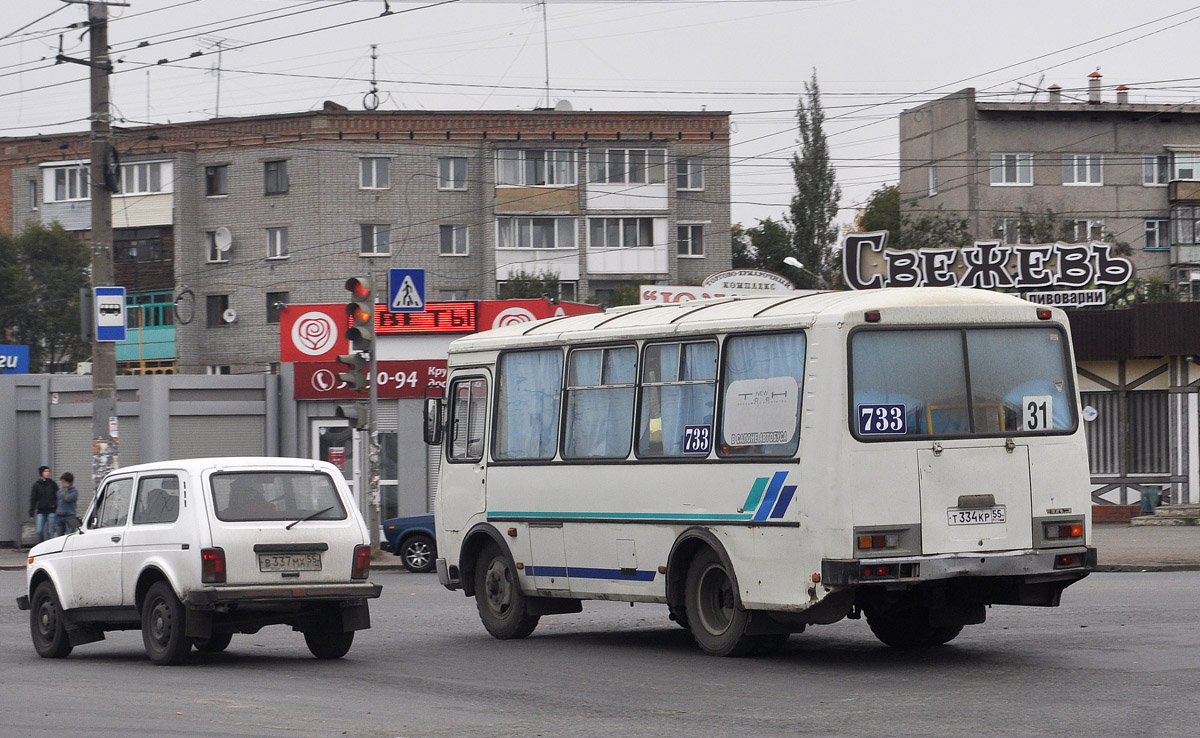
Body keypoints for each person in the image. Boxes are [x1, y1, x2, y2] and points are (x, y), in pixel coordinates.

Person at [27, 466, 58, 544]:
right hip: (41, 511)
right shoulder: (37, 485)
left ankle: (51, 547)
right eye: (45, 471)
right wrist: (31, 512)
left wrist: (56, 506)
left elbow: (58, 495)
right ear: (41, 473)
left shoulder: (52, 484)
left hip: (52, 510)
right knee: (39, 531)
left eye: (48, 471)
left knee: (50, 532)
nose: (47, 473)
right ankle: (42, 545)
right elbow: (33, 499)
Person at [53, 472, 79, 537]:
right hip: (59, 516)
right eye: (62, 482)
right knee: (58, 536)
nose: (62, 484)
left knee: (70, 536)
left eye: (64, 482)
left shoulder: (74, 491)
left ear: (70, 482)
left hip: (70, 516)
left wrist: (65, 489)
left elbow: (67, 498)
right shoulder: (59, 491)